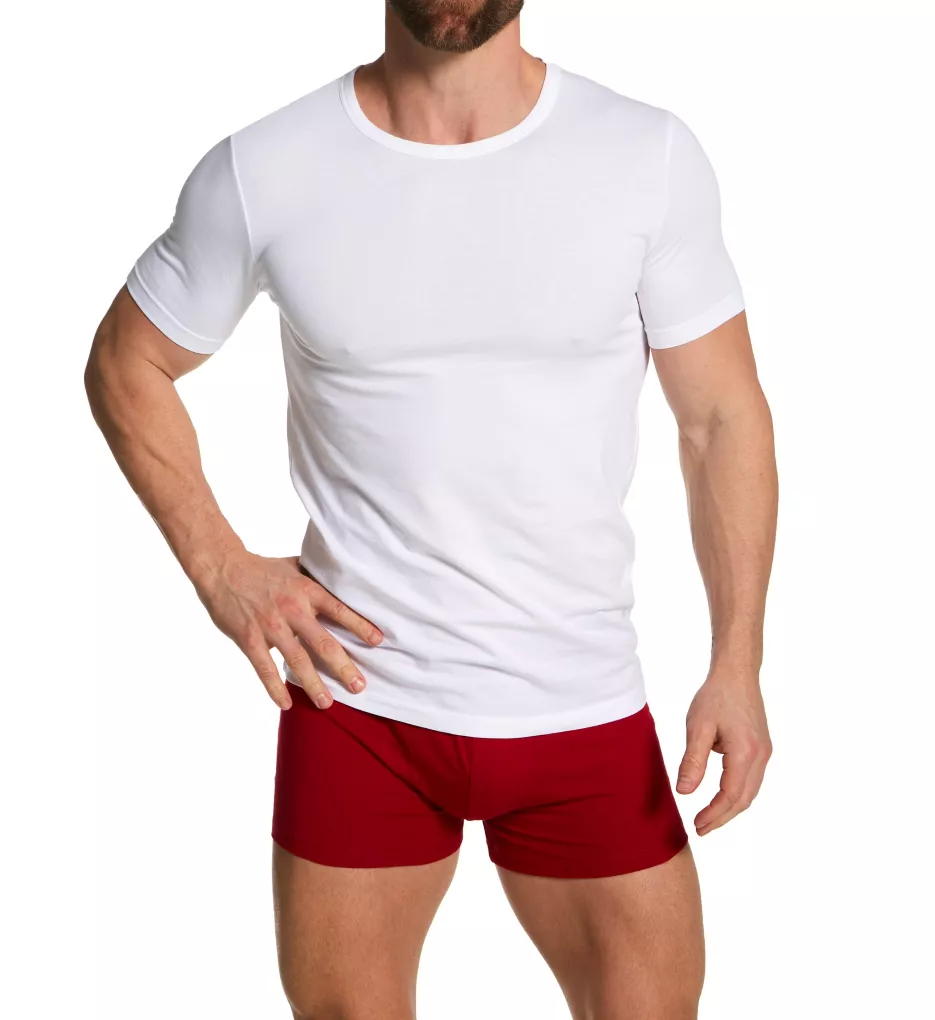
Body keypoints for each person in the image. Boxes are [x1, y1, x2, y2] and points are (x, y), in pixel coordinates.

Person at [85, 1, 777, 1017]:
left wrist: (737, 663)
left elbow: (720, 419)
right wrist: (222, 569)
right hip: (360, 706)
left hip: (578, 701)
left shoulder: (644, 155)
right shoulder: (267, 167)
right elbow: (127, 362)